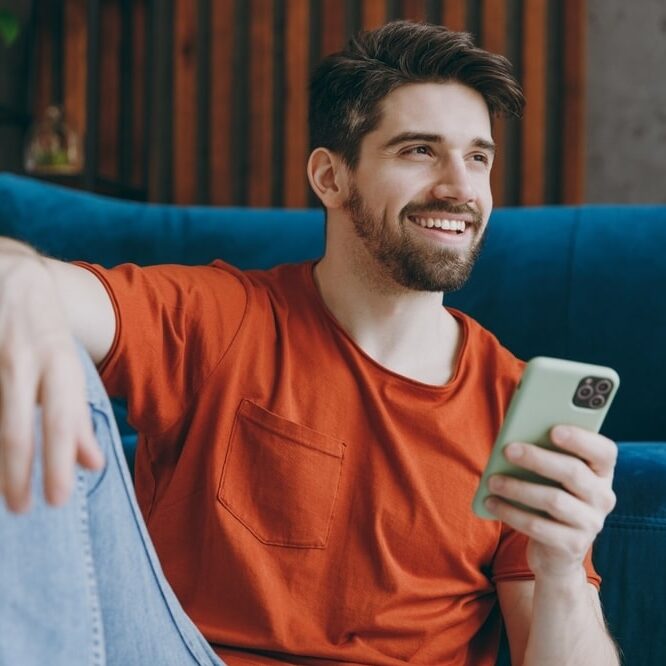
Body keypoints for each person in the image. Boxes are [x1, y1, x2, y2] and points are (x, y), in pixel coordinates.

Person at [0, 20, 620, 666]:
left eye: (478, 157)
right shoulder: (226, 318)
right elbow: (39, 289)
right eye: (418, 151)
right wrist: (17, 276)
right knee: (42, 347)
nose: (461, 187)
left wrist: (561, 571)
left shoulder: (515, 408)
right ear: (330, 178)